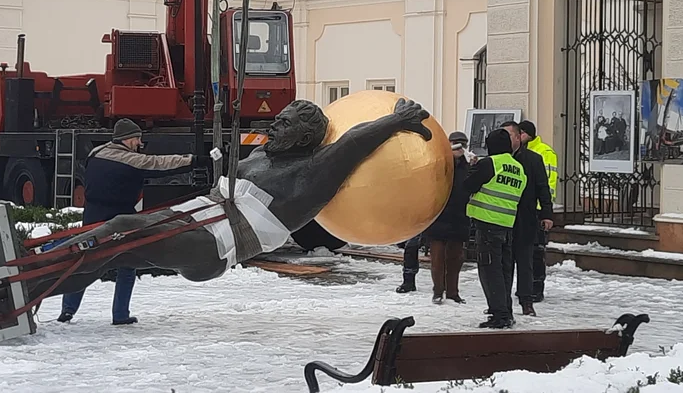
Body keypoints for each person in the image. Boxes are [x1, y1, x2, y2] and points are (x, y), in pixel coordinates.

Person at [30, 98, 434, 302]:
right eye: (278, 117)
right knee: (108, 245)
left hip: (216, 244)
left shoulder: (309, 174)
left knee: (119, 232)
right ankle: (33, 280)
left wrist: (397, 119)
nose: (274, 123)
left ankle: (30, 283)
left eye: (286, 122)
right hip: (197, 215)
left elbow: (352, 141)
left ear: (307, 136)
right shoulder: (264, 154)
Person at [57, 118, 199, 325]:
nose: (139, 144)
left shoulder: (95, 154)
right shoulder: (129, 159)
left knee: (85, 263)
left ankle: (67, 311)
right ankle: (120, 314)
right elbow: (158, 164)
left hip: (92, 215)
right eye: (137, 139)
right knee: (128, 264)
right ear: (127, 139)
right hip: (120, 217)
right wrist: (193, 161)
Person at [460, 128, 525, 329]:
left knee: (490, 270)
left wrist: (472, 168)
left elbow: (468, 186)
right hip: (507, 225)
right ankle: (506, 310)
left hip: (487, 225)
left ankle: (500, 315)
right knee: (505, 270)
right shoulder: (518, 168)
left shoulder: (490, 163)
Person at [500, 121, 553, 317]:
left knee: (525, 263)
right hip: (501, 219)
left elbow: (542, 187)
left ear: (518, 137)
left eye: (509, 136)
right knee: (504, 264)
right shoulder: (497, 159)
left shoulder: (533, 159)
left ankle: (526, 301)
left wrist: (546, 213)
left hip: (526, 218)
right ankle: (503, 303)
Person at [423, 131, 472, 304]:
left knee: (456, 259)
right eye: (455, 143)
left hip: (459, 217)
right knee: (437, 259)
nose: (459, 147)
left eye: (462, 144)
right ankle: (438, 291)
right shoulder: (440, 164)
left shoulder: (469, 166)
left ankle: (453, 292)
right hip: (439, 216)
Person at [517, 120, 557, 302]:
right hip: (525, 209)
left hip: (538, 209)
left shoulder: (543, 152)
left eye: (522, 133)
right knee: (526, 253)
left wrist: (545, 211)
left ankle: (536, 288)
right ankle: (525, 288)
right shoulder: (520, 152)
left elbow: (546, 183)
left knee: (536, 252)